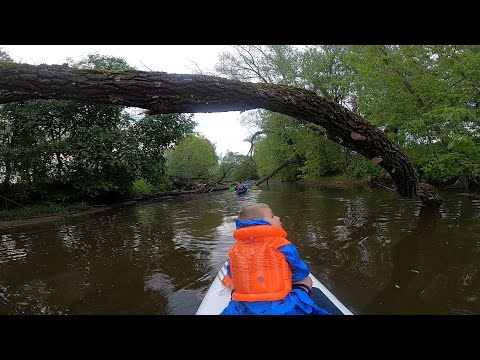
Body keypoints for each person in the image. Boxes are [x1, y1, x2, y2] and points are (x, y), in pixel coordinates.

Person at [219, 203, 331, 315]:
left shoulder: (235, 249)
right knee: (307, 280)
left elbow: (232, 274)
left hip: (244, 306)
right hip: (281, 305)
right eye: (272, 216)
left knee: (233, 284)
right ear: (262, 224)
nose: (278, 217)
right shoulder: (282, 245)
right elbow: (299, 272)